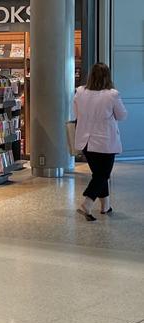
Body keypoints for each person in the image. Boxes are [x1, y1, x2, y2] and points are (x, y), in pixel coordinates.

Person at [74, 62, 128, 221]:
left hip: (86, 142)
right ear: (107, 77)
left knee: (99, 174)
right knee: (103, 174)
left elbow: (76, 113)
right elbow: (122, 115)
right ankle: (87, 203)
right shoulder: (112, 94)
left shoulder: (80, 92)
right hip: (105, 142)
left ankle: (106, 206)